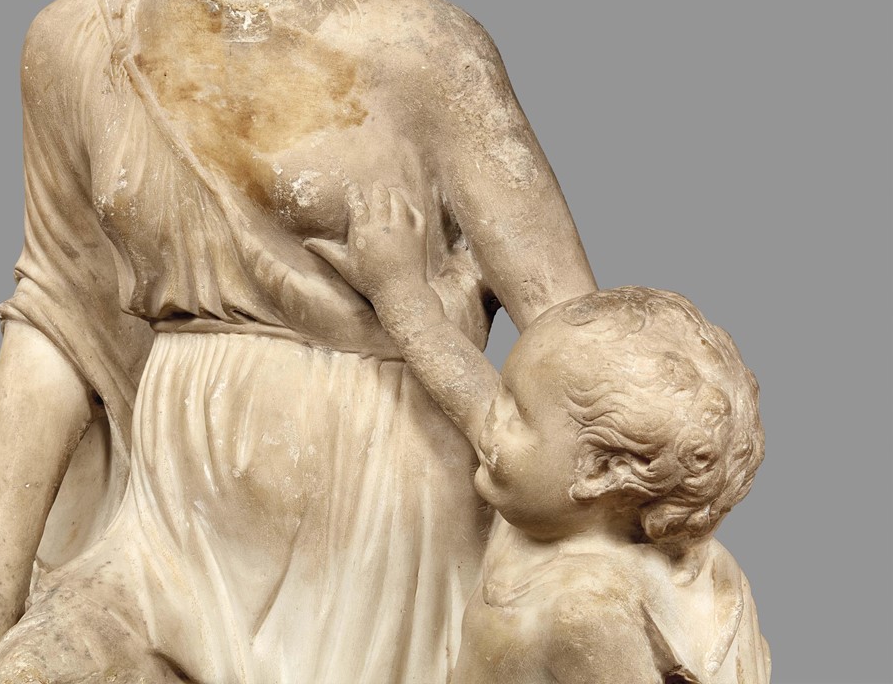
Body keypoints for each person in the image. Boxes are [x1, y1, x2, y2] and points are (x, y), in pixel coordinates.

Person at [0, 0, 597, 684]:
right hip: (174, 518)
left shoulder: (425, 48)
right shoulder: (80, 33)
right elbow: (59, 310)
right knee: (26, 673)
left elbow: (578, 341)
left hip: (383, 512)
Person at [308, 187, 770, 683]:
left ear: (601, 473)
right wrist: (398, 289)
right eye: (505, 396)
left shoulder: (588, 612)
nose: (491, 417)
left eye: (518, 415)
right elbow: (463, 384)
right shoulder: (548, 502)